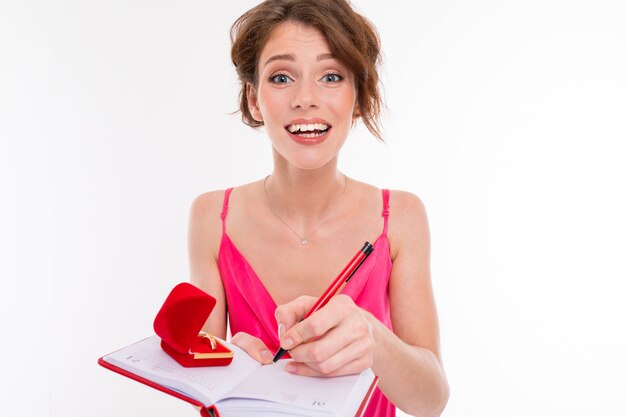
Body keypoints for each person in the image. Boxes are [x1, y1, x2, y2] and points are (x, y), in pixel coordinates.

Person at [188, 1, 449, 416]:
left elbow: (431, 400)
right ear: (254, 100)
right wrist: (232, 370)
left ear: (359, 98)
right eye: (281, 77)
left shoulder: (400, 216)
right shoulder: (210, 217)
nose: (305, 99)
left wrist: (374, 340)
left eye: (331, 76)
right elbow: (199, 385)